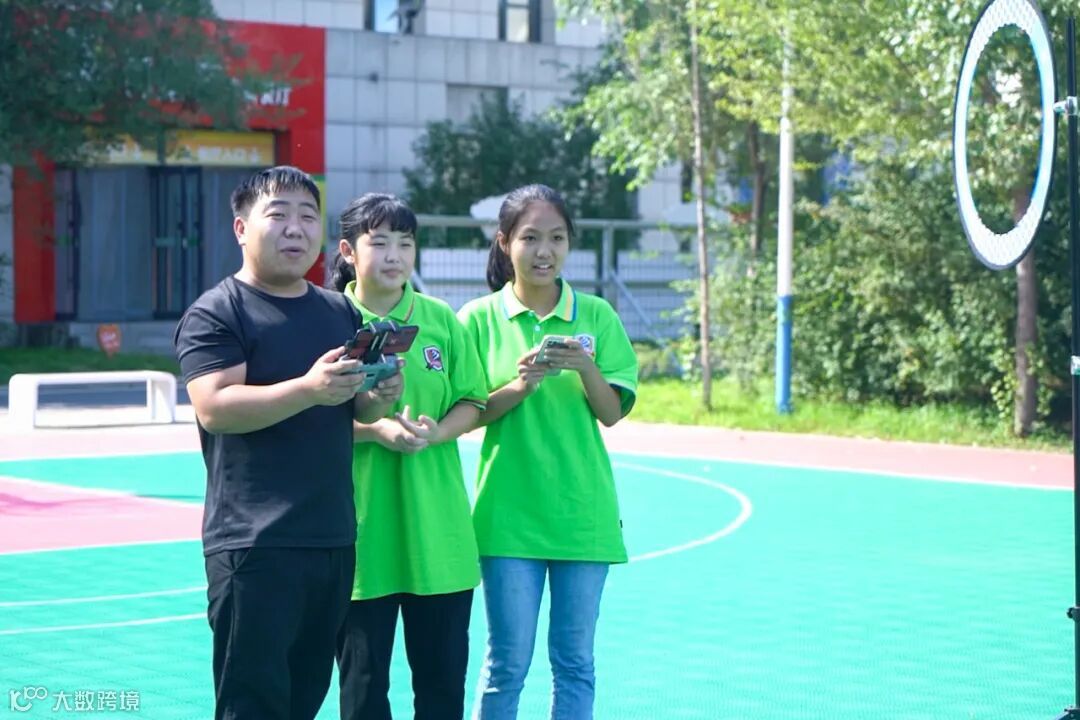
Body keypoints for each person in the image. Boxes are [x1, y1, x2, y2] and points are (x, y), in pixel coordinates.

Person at [174, 166, 404, 720]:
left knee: (305, 699)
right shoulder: (218, 311)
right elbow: (214, 408)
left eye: (308, 216)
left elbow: (355, 408)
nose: (296, 228)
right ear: (241, 228)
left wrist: (380, 395)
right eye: (278, 215)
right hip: (254, 543)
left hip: (332, 537)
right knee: (253, 703)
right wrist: (307, 389)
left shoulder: (339, 310)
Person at [457, 184, 639, 720]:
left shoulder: (596, 315)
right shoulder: (478, 319)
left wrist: (586, 367)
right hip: (507, 517)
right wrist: (520, 386)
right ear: (504, 242)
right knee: (506, 664)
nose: (544, 251)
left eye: (557, 238)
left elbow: (611, 412)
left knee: (575, 663)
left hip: (583, 516)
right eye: (530, 238)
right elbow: (469, 413)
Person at [331, 193, 488, 720]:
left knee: (442, 692)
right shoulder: (326, 319)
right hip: (359, 537)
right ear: (348, 251)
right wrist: (373, 431)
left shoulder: (440, 319)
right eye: (379, 243)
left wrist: (438, 432)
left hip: (439, 537)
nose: (395, 255)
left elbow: (474, 400)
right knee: (362, 692)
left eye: (405, 243)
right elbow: (307, 418)